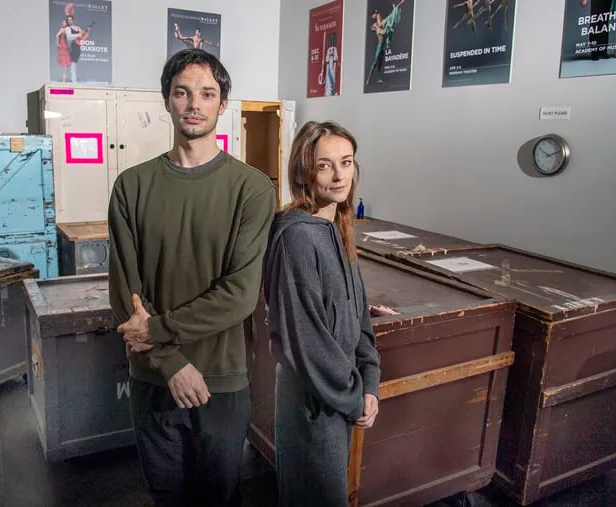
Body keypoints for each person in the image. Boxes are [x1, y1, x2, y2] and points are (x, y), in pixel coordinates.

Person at [108, 49, 276, 507]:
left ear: (223, 105)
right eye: (182, 92)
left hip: (221, 380)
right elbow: (126, 293)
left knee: (219, 496)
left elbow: (239, 295)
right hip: (152, 380)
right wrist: (170, 362)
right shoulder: (131, 186)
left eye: (207, 93)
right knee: (167, 496)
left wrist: (158, 333)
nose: (194, 103)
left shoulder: (253, 189)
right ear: (167, 101)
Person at [261, 121, 382, 506]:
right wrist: (353, 397)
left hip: (340, 392)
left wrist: (371, 380)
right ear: (304, 172)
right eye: (325, 165)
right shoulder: (297, 236)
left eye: (346, 163)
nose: (339, 175)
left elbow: (359, 314)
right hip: (314, 400)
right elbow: (307, 339)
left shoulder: (338, 225)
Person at [366, 0, 406, 85]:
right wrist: (385, 26)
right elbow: (383, 31)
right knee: (375, 62)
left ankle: (378, 78)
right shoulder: (377, 29)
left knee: (380, 62)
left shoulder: (379, 22)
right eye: (374, 25)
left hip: (383, 45)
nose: (375, 24)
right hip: (380, 45)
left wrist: (395, 8)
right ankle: (369, 78)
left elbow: (386, 20)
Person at [64, 15, 84, 82]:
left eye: (70, 19)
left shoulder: (78, 28)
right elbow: (69, 37)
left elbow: (83, 35)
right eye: (68, 20)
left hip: (78, 47)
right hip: (72, 47)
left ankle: (74, 78)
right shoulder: (67, 28)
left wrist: (83, 34)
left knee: (75, 62)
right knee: (73, 63)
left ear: (73, 20)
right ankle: (73, 78)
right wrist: (78, 35)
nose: (69, 21)